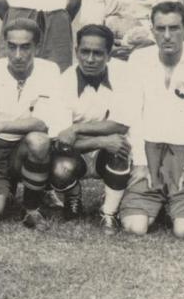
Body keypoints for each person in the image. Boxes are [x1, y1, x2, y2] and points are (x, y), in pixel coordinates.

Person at [117, 2, 184, 239]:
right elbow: (134, 114)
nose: (167, 36)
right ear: (152, 31)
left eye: (174, 28)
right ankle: (154, 199)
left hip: (183, 153)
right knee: (135, 227)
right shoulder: (138, 60)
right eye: (160, 29)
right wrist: (140, 161)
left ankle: (175, 201)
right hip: (150, 150)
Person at [0, 18, 69, 231]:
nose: (18, 55)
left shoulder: (49, 70)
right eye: (12, 47)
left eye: (25, 47)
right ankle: (3, 190)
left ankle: (31, 208)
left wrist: (0, 126)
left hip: (23, 149)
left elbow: (42, 123)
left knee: (39, 141)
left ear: (37, 47)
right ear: (5, 46)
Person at [52, 24, 134, 233]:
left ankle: (108, 212)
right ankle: (73, 196)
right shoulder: (63, 81)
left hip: (103, 148)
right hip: (75, 150)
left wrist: (77, 128)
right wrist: (101, 140)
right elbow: (61, 138)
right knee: (60, 167)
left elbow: (121, 124)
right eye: (84, 52)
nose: (89, 59)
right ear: (76, 51)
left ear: (109, 55)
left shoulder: (125, 74)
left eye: (97, 53)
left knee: (121, 146)